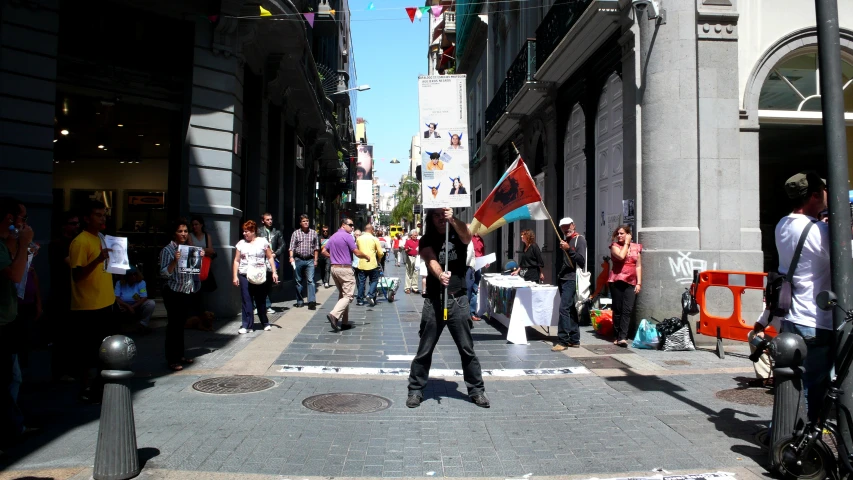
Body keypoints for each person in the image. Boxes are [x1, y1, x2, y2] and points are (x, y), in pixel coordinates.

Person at [754, 171, 830, 422]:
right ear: (815, 195)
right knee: (813, 385)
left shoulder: (782, 224)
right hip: (817, 318)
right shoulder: (820, 231)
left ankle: (788, 431)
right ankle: (802, 440)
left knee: (793, 381)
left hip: (792, 316)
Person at [406, 208, 489, 409]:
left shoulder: (456, 233)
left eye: (442, 215)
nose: (440, 218)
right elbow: (430, 257)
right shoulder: (426, 239)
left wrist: (452, 218)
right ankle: (416, 390)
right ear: (430, 218)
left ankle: (477, 391)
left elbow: (468, 236)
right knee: (424, 349)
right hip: (434, 301)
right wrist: (440, 274)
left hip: (458, 300)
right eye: (436, 215)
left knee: (466, 349)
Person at [69, 200, 116, 400]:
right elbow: (77, 275)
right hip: (88, 306)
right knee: (88, 352)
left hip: (106, 301)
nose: (102, 218)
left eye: (104, 214)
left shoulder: (103, 238)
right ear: (87, 218)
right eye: (98, 214)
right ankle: (86, 389)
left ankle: (100, 385)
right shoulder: (80, 241)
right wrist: (97, 260)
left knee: (104, 349)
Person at [0, 197, 34, 447]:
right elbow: (14, 274)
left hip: (8, 317)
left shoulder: (6, 244)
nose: (21, 224)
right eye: (18, 219)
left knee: (13, 377)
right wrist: (23, 245)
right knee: (8, 378)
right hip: (2, 321)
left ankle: (13, 425)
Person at [159, 218, 203, 371]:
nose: (183, 234)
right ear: (174, 233)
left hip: (186, 290)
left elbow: (192, 271)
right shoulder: (167, 250)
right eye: (180, 231)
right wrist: (174, 261)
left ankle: (180, 355)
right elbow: (164, 274)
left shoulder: (188, 249)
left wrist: (199, 258)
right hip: (173, 291)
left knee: (180, 325)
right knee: (173, 326)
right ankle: (172, 359)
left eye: (185, 231)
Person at [321, 217, 368, 331]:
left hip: (334, 269)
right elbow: (356, 252)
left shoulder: (333, 236)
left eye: (353, 225)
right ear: (343, 225)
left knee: (343, 295)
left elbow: (323, 251)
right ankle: (334, 315)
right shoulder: (348, 236)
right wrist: (366, 256)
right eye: (350, 225)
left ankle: (345, 322)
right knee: (348, 296)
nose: (352, 227)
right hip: (345, 269)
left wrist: (331, 257)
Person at [233, 220, 279, 335]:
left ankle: (265, 322)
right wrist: (235, 276)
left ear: (253, 231)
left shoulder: (262, 242)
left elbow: (269, 257)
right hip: (244, 275)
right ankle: (247, 325)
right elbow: (236, 261)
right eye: (243, 231)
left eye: (246, 231)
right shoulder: (241, 244)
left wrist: (274, 272)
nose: (244, 234)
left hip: (259, 275)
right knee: (246, 300)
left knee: (261, 300)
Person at [48, 210, 78, 381]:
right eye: (73, 223)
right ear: (64, 226)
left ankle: (72, 369)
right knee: (62, 335)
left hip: (75, 293)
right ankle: (60, 372)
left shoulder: (76, 241)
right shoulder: (57, 244)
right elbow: (73, 264)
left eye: (77, 223)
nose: (76, 226)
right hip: (61, 293)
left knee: (73, 334)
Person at [552, 217, 586, 351]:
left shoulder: (579, 240)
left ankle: (563, 340)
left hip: (572, 279)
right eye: (563, 227)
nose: (566, 229)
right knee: (570, 308)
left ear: (573, 225)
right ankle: (574, 338)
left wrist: (569, 249)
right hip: (564, 278)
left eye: (568, 226)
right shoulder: (565, 241)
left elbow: (582, 260)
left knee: (563, 308)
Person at [608, 225, 642, 347]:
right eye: (618, 233)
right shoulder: (614, 246)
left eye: (622, 233)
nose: (619, 235)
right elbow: (621, 256)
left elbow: (638, 265)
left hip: (631, 281)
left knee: (627, 310)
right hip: (617, 280)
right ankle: (617, 335)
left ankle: (623, 337)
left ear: (628, 234)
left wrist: (639, 283)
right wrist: (627, 243)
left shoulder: (636, 248)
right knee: (618, 310)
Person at [289, 214, 319, 309]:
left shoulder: (314, 233)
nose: (306, 222)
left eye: (307, 221)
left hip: (310, 260)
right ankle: (300, 301)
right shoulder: (296, 233)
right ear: (300, 223)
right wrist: (291, 257)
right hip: (298, 259)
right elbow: (291, 247)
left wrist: (315, 260)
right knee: (298, 281)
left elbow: (316, 248)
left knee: (311, 280)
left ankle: (311, 302)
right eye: (304, 221)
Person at [188, 215, 216, 315]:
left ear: (201, 225)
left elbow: (211, 250)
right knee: (194, 290)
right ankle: (195, 313)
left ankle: (201, 312)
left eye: (196, 224)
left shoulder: (206, 236)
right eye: (193, 225)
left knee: (203, 289)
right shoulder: (190, 235)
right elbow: (191, 249)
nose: (195, 226)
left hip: (204, 266)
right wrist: (204, 250)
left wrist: (198, 249)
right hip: (193, 266)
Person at [258, 213, 285, 311]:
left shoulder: (276, 232)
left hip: (271, 260)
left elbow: (282, 245)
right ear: (263, 221)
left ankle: (267, 305)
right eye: (267, 219)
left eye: (271, 219)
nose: (270, 221)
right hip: (260, 260)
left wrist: (275, 254)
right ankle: (258, 305)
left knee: (269, 283)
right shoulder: (258, 232)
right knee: (259, 282)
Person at [114, 266, 155, 330]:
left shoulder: (141, 282)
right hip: (123, 306)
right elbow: (116, 297)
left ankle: (143, 324)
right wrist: (128, 307)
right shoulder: (119, 283)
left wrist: (132, 307)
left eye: (135, 274)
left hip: (137, 305)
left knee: (151, 303)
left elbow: (144, 297)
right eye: (130, 275)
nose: (133, 276)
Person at [355, 224, 384, 307]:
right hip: (372, 264)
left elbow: (357, 251)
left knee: (361, 282)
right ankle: (370, 295)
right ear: (372, 230)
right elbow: (380, 253)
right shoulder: (374, 239)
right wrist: (379, 260)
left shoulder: (359, 239)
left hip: (362, 264)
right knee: (374, 280)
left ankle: (360, 300)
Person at [467, 229, 486, 321]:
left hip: (479, 266)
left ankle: (472, 312)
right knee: (468, 289)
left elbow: (482, 252)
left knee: (475, 289)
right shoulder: (469, 239)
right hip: (470, 266)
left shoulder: (480, 239)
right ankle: (466, 312)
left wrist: (485, 261)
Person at [403, 229, 420, 294]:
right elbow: (405, 249)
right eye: (415, 235)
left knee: (416, 272)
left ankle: (414, 287)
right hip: (410, 257)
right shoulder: (408, 241)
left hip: (417, 257)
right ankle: (407, 288)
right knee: (409, 272)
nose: (416, 236)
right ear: (411, 235)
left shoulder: (419, 241)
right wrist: (408, 249)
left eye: (417, 235)